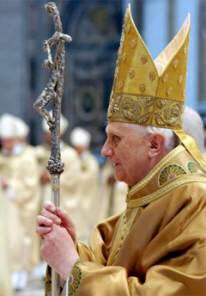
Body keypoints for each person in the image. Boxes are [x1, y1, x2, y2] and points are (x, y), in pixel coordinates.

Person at [37, 7, 206, 295]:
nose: (104, 151)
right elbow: (114, 264)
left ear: (154, 145)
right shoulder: (148, 196)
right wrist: (71, 247)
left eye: (116, 139)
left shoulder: (195, 203)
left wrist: (72, 266)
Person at [0, 113, 40, 290]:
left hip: (21, 208)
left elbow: (30, 185)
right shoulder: (3, 156)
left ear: (15, 139)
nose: (4, 144)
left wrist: (9, 185)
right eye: (3, 141)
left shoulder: (27, 158)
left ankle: (20, 275)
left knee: (20, 241)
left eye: (7, 140)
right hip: (5, 209)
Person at [70, 127, 99, 241]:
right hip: (72, 203)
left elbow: (90, 179)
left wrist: (76, 177)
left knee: (84, 235)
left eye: (80, 148)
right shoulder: (71, 159)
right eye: (76, 148)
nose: (78, 151)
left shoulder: (91, 161)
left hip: (86, 202)